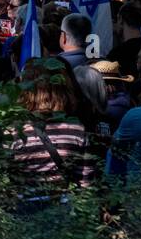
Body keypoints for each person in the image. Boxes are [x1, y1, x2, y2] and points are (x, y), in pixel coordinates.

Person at [9, 60, 98, 200]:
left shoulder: (12, 132)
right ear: (62, 88)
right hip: (62, 215)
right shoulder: (77, 130)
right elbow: (86, 186)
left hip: (21, 214)